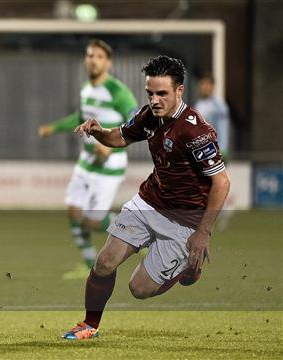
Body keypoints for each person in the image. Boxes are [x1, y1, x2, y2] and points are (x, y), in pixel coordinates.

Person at [62, 55, 230, 340]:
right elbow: (120, 137)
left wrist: (203, 232)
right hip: (148, 202)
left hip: (185, 220)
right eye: (150, 93)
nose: (154, 100)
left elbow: (221, 182)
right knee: (104, 262)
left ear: (179, 91)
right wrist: (99, 132)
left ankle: (186, 268)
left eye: (162, 93)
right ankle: (90, 325)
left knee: (139, 289)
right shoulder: (149, 115)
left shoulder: (196, 131)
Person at [38, 39, 137, 279]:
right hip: (87, 161)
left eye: (99, 56)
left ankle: (137, 234)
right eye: (90, 55)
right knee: (73, 211)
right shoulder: (86, 89)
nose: (93, 60)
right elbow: (79, 118)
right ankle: (89, 263)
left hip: (109, 165)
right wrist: (54, 127)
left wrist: (112, 146)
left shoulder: (117, 91)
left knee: (94, 220)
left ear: (108, 63)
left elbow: (136, 122)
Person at [194, 73, 231, 159]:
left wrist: (223, 149)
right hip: (201, 151)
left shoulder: (219, 105)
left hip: (214, 151)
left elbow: (223, 128)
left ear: (212, 86)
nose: (204, 87)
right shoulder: (198, 104)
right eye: (202, 84)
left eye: (207, 84)